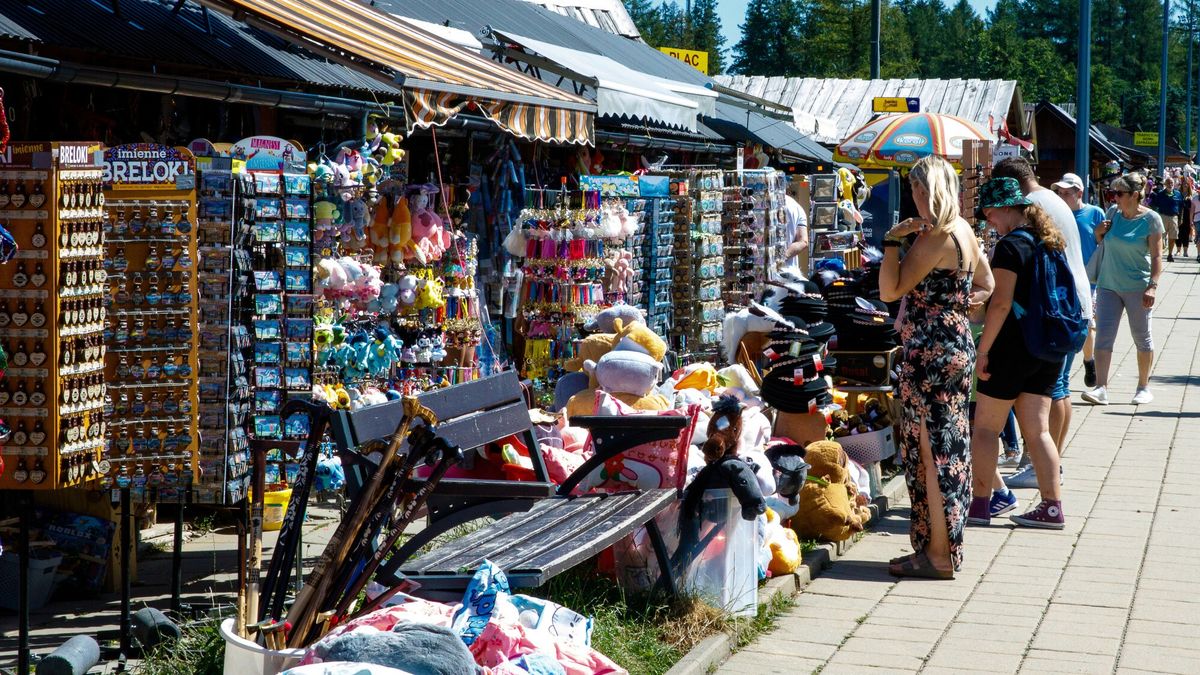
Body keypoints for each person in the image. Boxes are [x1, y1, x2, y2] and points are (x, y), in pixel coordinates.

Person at [879, 155, 994, 578]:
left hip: (929, 352)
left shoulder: (935, 238)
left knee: (930, 452)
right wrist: (960, 304)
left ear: (926, 190)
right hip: (955, 344)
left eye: (915, 189)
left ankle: (939, 554)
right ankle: (935, 547)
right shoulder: (964, 231)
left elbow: (890, 290)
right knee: (948, 446)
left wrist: (892, 241)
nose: (914, 197)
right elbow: (988, 283)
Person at [970, 177, 1067, 529]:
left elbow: (1000, 305)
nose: (988, 220)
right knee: (1038, 432)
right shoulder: (1049, 241)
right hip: (1047, 347)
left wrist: (983, 351)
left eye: (990, 213)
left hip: (1012, 348)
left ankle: (980, 505)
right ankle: (1052, 507)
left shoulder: (1011, 247)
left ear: (1007, 208)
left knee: (985, 429)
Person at [991, 158, 1091, 489]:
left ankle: (1043, 465)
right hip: (1066, 305)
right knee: (1057, 389)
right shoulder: (1049, 200)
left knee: (1053, 392)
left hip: (1052, 311)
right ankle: (1046, 466)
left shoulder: (1031, 206)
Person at [1082, 172, 1162, 406]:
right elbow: (1104, 244)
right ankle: (1101, 388)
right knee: (1104, 338)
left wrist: (1153, 286)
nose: (1114, 197)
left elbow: (1157, 256)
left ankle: (1143, 387)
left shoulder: (1151, 220)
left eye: (1119, 193)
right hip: (1108, 285)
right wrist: (1098, 234)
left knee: (1142, 337)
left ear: (1135, 195)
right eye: (1113, 193)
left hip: (1138, 286)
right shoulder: (1112, 214)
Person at [1052, 172, 1105, 389]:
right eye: (1059, 193)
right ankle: (1080, 363)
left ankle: (1088, 360)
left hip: (1088, 280)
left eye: (1067, 193)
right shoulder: (1054, 214)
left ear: (1079, 193)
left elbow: (1104, 245)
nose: (1062, 197)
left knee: (1088, 325)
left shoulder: (1095, 214)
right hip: (1063, 280)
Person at [1148, 176, 1181, 261]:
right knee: (1160, 236)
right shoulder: (1160, 194)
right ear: (1165, 184)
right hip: (1163, 216)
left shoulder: (1178, 194)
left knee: (1173, 237)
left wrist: (1180, 218)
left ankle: (1170, 254)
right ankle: (1159, 253)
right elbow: (1153, 204)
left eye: (1172, 183)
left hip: (1174, 217)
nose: (1170, 185)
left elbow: (1181, 207)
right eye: (1168, 183)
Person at [782, 178, 809, 269]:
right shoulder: (797, 207)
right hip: (789, 270)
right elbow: (803, 241)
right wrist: (783, 257)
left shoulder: (757, 204)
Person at [1180, 179, 1195, 259]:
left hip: (1187, 217)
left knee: (1186, 234)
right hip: (1179, 216)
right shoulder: (1178, 194)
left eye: (1187, 184)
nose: (1185, 185)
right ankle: (1178, 250)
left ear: (1189, 186)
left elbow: (1193, 208)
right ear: (1182, 185)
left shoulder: (1191, 196)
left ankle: (1185, 251)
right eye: (1184, 184)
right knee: (1179, 234)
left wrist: (1192, 219)